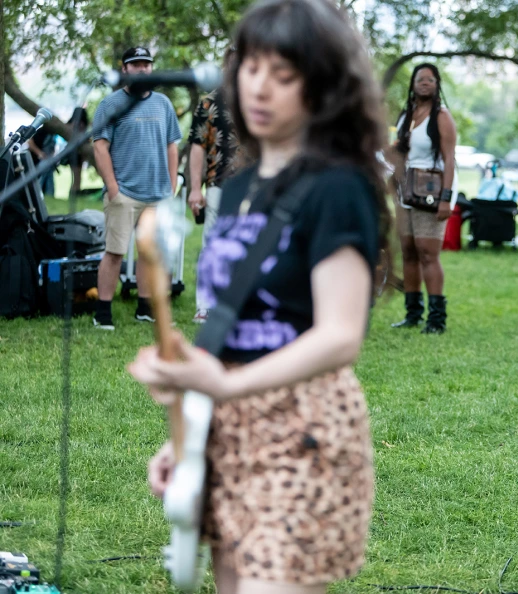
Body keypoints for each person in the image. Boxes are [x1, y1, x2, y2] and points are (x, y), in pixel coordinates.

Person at [129, 0, 391, 592]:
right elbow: (229, 324)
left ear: (321, 87)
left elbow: (340, 335)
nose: (259, 87)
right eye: (251, 68)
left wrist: (230, 386)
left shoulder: (337, 186)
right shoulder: (242, 186)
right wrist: (186, 438)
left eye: (283, 74)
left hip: (303, 426)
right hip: (226, 426)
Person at [91, 46, 182, 330]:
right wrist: (113, 188)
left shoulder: (163, 104)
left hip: (157, 195)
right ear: (125, 69)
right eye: (136, 64)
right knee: (114, 253)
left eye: (146, 64)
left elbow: (172, 146)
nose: (142, 69)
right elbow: (100, 147)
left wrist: (171, 187)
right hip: (124, 194)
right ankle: (102, 312)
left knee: (149, 253)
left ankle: (144, 308)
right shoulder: (110, 104)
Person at [389, 63, 457, 334]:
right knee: (408, 251)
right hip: (405, 191)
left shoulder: (441, 116)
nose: (425, 83)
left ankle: (436, 318)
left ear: (437, 84)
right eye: (420, 79)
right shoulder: (406, 115)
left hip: (431, 191)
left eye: (430, 79)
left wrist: (446, 199)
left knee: (428, 253)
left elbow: (450, 159)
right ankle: (413, 313)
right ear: (413, 84)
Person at [187, 54, 242, 324]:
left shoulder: (264, 98)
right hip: (219, 184)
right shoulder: (209, 102)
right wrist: (195, 189)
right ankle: (205, 306)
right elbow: (197, 147)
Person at [65, 107, 90, 199]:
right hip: (76, 153)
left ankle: (75, 193)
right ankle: (75, 193)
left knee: (76, 176)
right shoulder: (78, 125)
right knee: (77, 176)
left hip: (77, 153)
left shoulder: (72, 124)